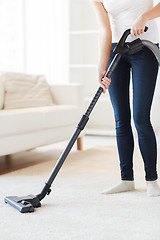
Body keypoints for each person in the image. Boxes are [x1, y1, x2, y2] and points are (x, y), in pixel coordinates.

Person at [89, 0, 160, 196]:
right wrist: (101, 66)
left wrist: (145, 16)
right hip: (116, 51)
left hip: (145, 48)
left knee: (140, 118)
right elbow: (104, 29)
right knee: (121, 118)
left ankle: (152, 179)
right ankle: (126, 179)